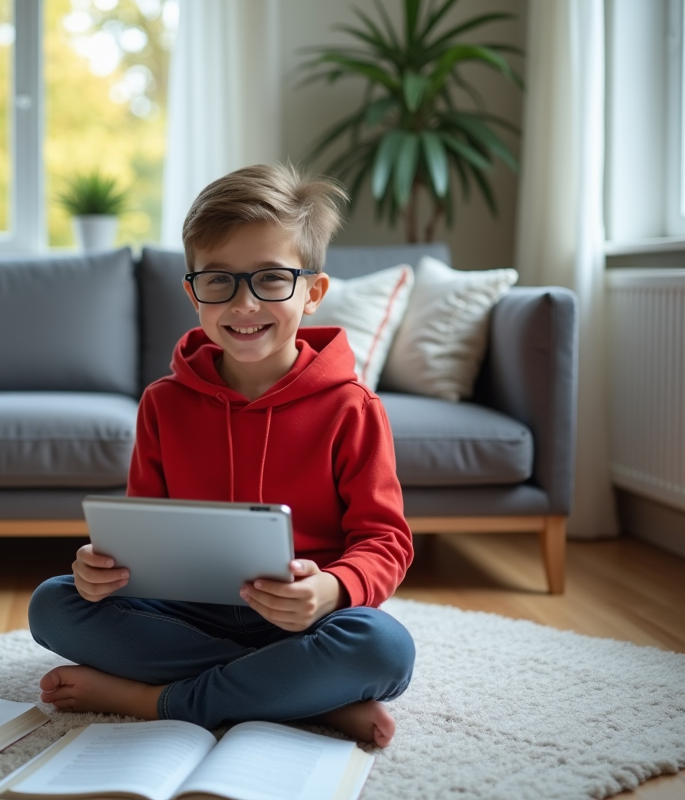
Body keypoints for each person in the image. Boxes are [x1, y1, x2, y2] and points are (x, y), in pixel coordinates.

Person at [28, 163, 414, 747]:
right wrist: (102, 570)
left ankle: (156, 700)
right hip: (190, 611)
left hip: (305, 616)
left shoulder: (352, 408)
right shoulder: (163, 403)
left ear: (312, 292)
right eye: (220, 281)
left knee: (384, 649)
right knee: (53, 605)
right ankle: (307, 697)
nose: (244, 303)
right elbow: (144, 532)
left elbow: (387, 542)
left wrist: (330, 589)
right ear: (193, 293)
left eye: (270, 280)